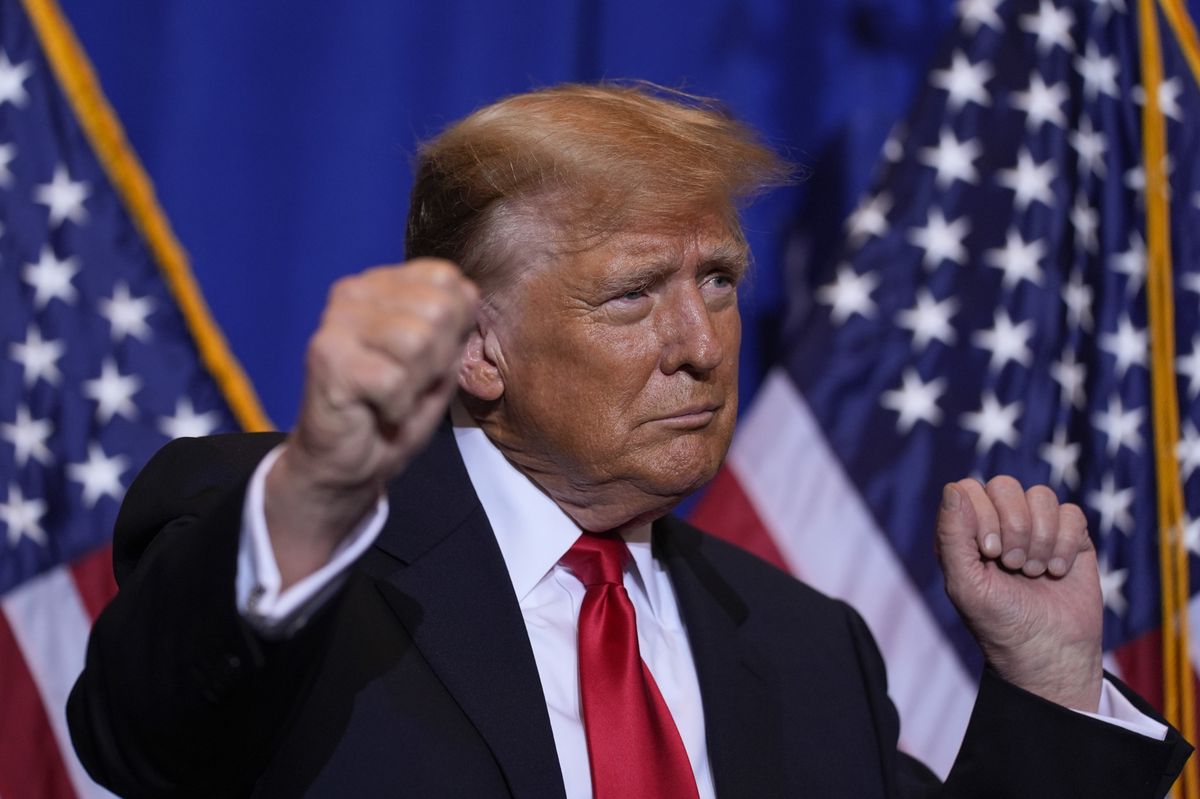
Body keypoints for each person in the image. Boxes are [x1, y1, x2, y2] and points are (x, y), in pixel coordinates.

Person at [69, 83, 1191, 798]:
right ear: (477, 347)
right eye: (632, 296)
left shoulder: (805, 649)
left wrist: (1047, 685)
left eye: (718, 280)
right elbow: (147, 738)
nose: (701, 344)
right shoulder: (290, 549)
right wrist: (313, 491)